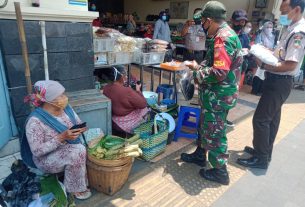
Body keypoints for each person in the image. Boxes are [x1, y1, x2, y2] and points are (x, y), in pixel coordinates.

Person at [237, 0, 305, 169]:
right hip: (276, 81)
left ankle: (260, 158)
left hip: (280, 82)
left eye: (284, 11)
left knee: (260, 119)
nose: (281, 16)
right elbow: (281, 55)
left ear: (296, 10)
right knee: (272, 119)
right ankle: (264, 152)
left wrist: (263, 64)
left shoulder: (298, 33)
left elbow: (291, 64)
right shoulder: (289, 29)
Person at [181, 1, 243, 185]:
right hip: (216, 95)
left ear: (209, 20)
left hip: (218, 96)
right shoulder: (225, 34)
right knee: (207, 125)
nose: (202, 27)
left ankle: (220, 171)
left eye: (203, 23)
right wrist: (199, 66)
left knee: (215, 132)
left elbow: (219, 72)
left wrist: (196, 73)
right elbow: (215, 65)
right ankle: (201, 154)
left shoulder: (222, 39)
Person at [21, 80, 91, 200]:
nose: (65, 98)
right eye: (61, 95)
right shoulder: (35, 121)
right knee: (77, 151)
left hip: (69, 144)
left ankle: (77, 178)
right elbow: (37, 151)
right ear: (49, 100)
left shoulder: (66, 109)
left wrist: (81, 129)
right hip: (46, 157)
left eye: (64, 94)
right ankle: (75, 188)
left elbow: (78, 123)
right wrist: (61, 137)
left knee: (91, 139)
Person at [103, 66, 149, 134]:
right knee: (146, 109)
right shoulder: (127, 91)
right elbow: (143, 104)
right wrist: (138, 90)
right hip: (125, 123)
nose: (126, 77)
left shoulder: (106, 88)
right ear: (121, 76)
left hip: (114, 120)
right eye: (126, 75)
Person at [251, 20, 276, 95]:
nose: (269, 28)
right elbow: (257, 45)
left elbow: (274, 46)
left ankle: (261, 90)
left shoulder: (273, 37)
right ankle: (255, 90)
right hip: (260, 57)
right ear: (264, 27)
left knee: (265, 74)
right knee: (258, 73)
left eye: (271, 27)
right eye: (267, 27)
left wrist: (271, 49)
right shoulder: (260, 35)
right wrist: (265, 49)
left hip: (268, 58)